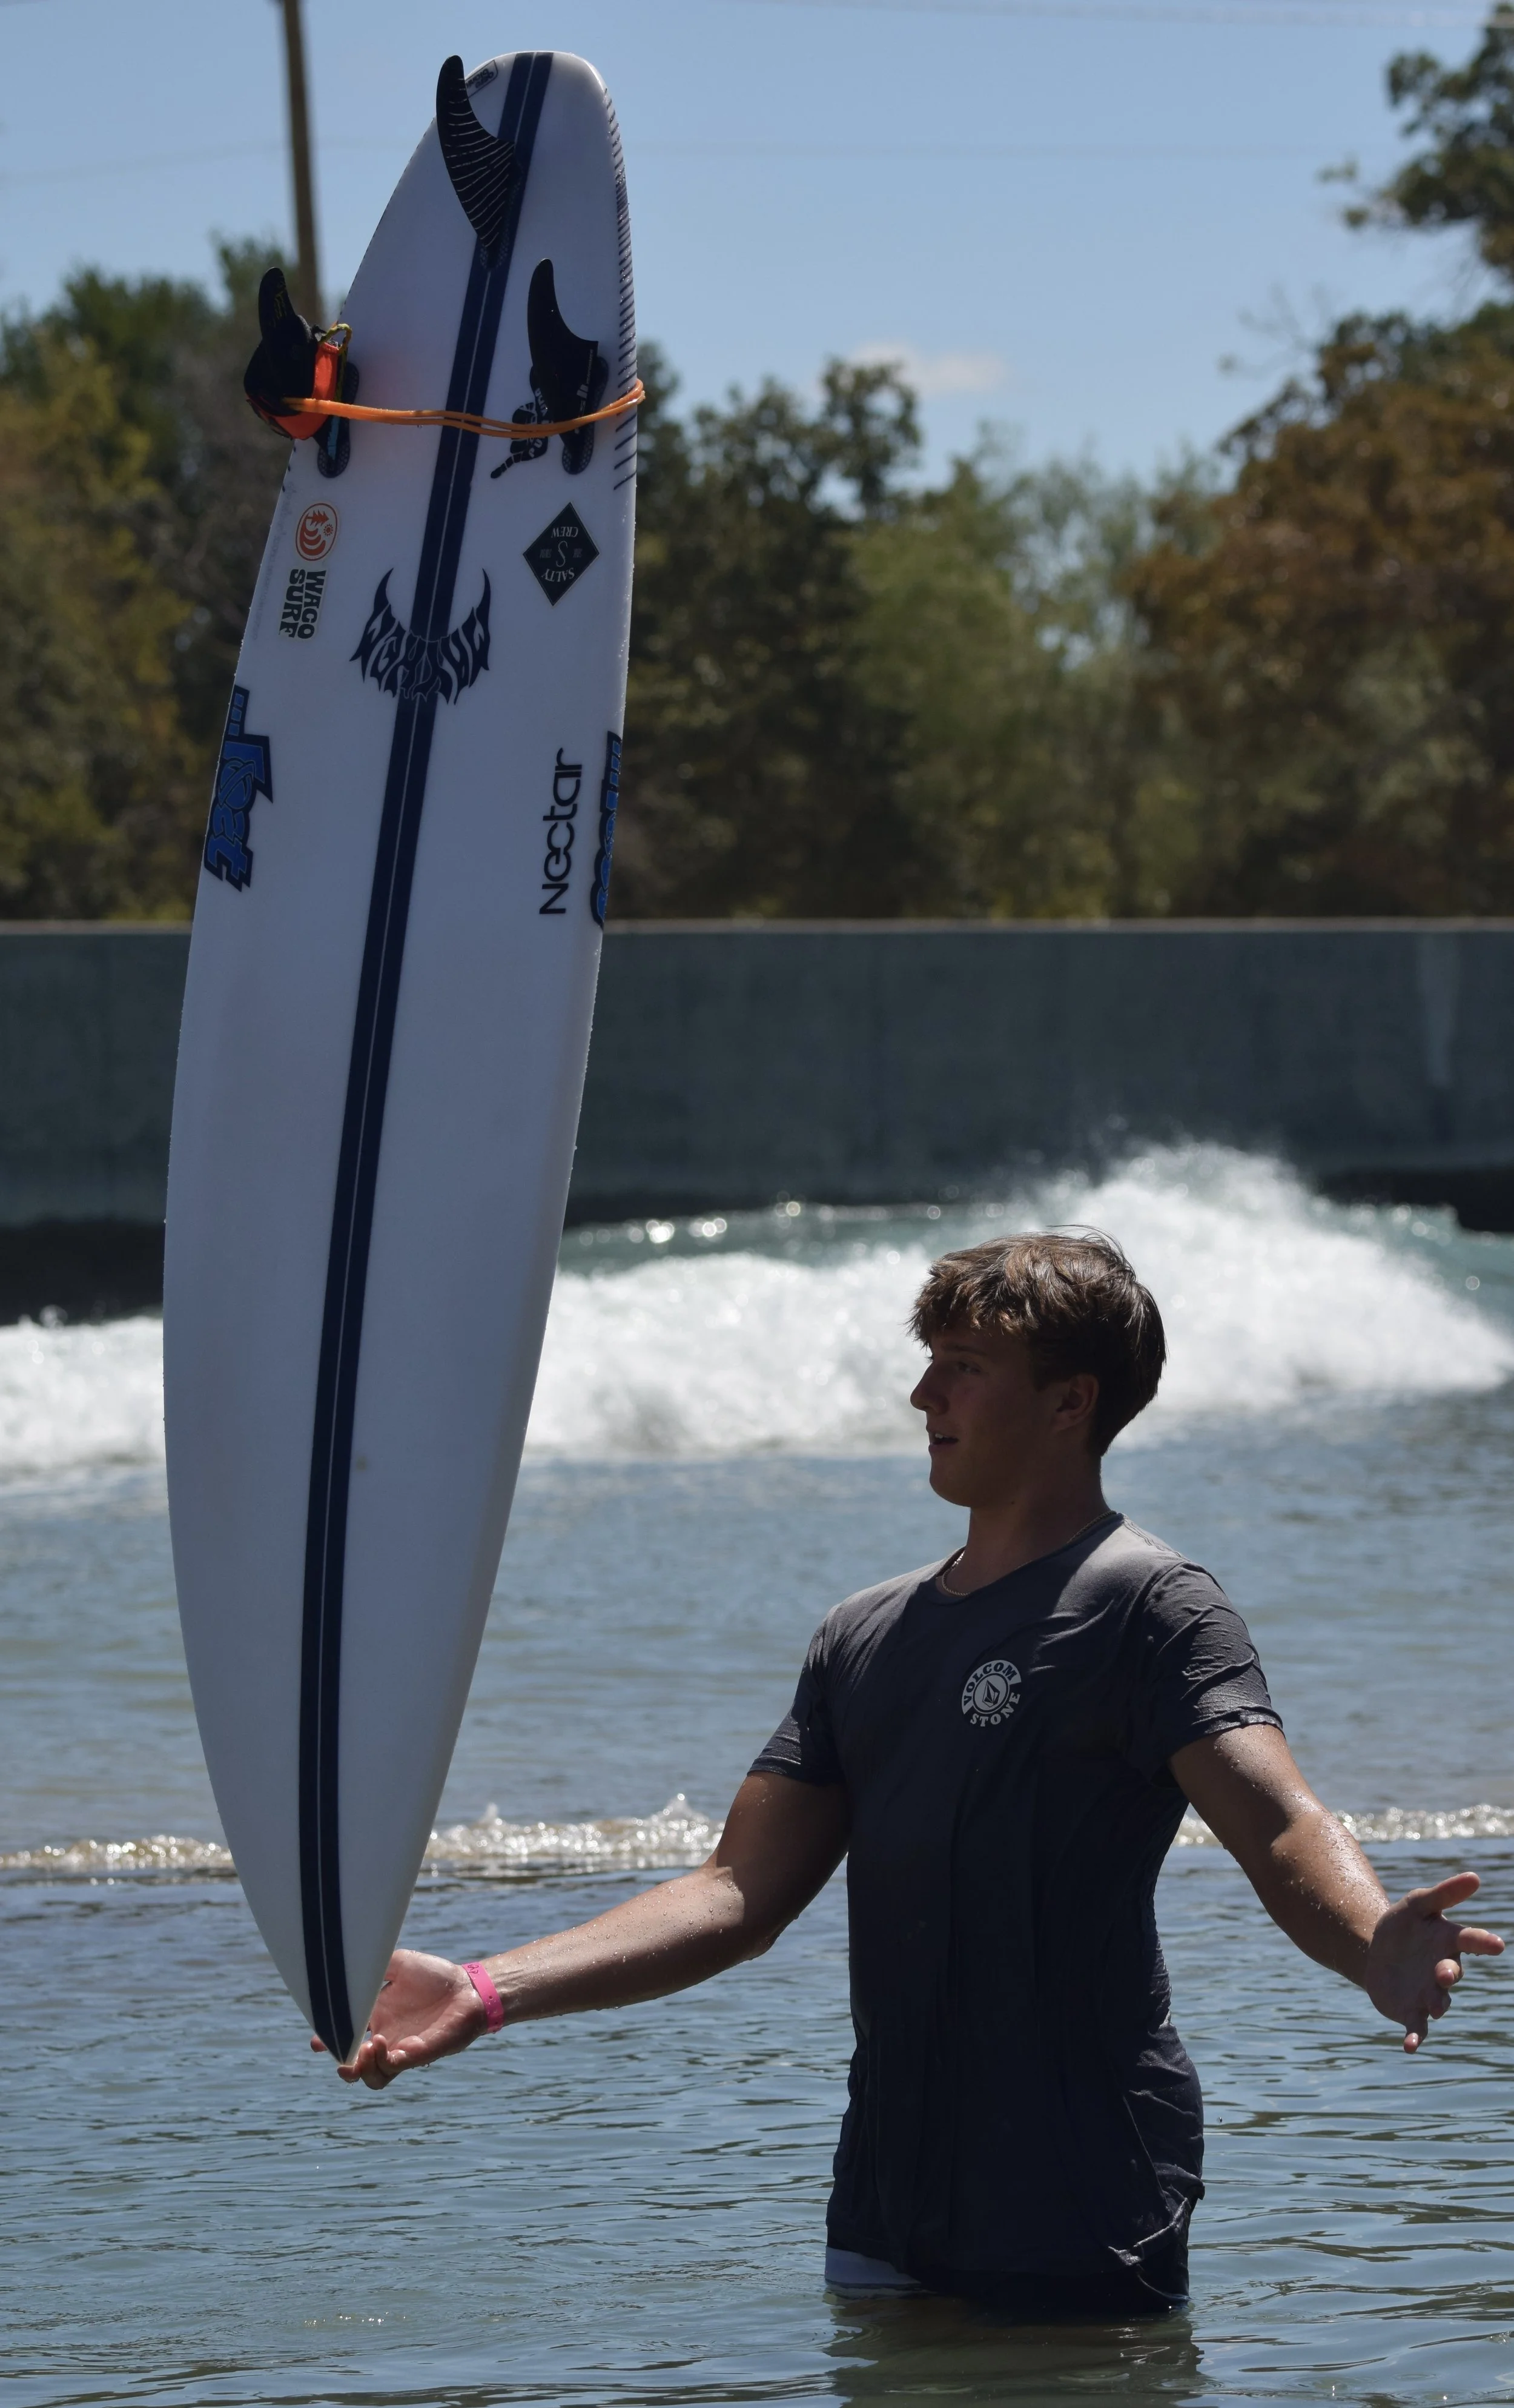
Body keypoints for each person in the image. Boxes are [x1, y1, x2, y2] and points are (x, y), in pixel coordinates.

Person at [316, 1232, 1503, 2318]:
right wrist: (487, 1986)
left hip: (1076, 2188)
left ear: (1067, 1401)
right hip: (884, 2194)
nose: (921, 1394)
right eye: (928, 1361)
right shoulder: (863, 1632)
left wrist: (1365, 1941)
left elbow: (1276, 1818)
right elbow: (735, 1891)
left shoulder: (1148, 1605)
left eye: (963, 1365)